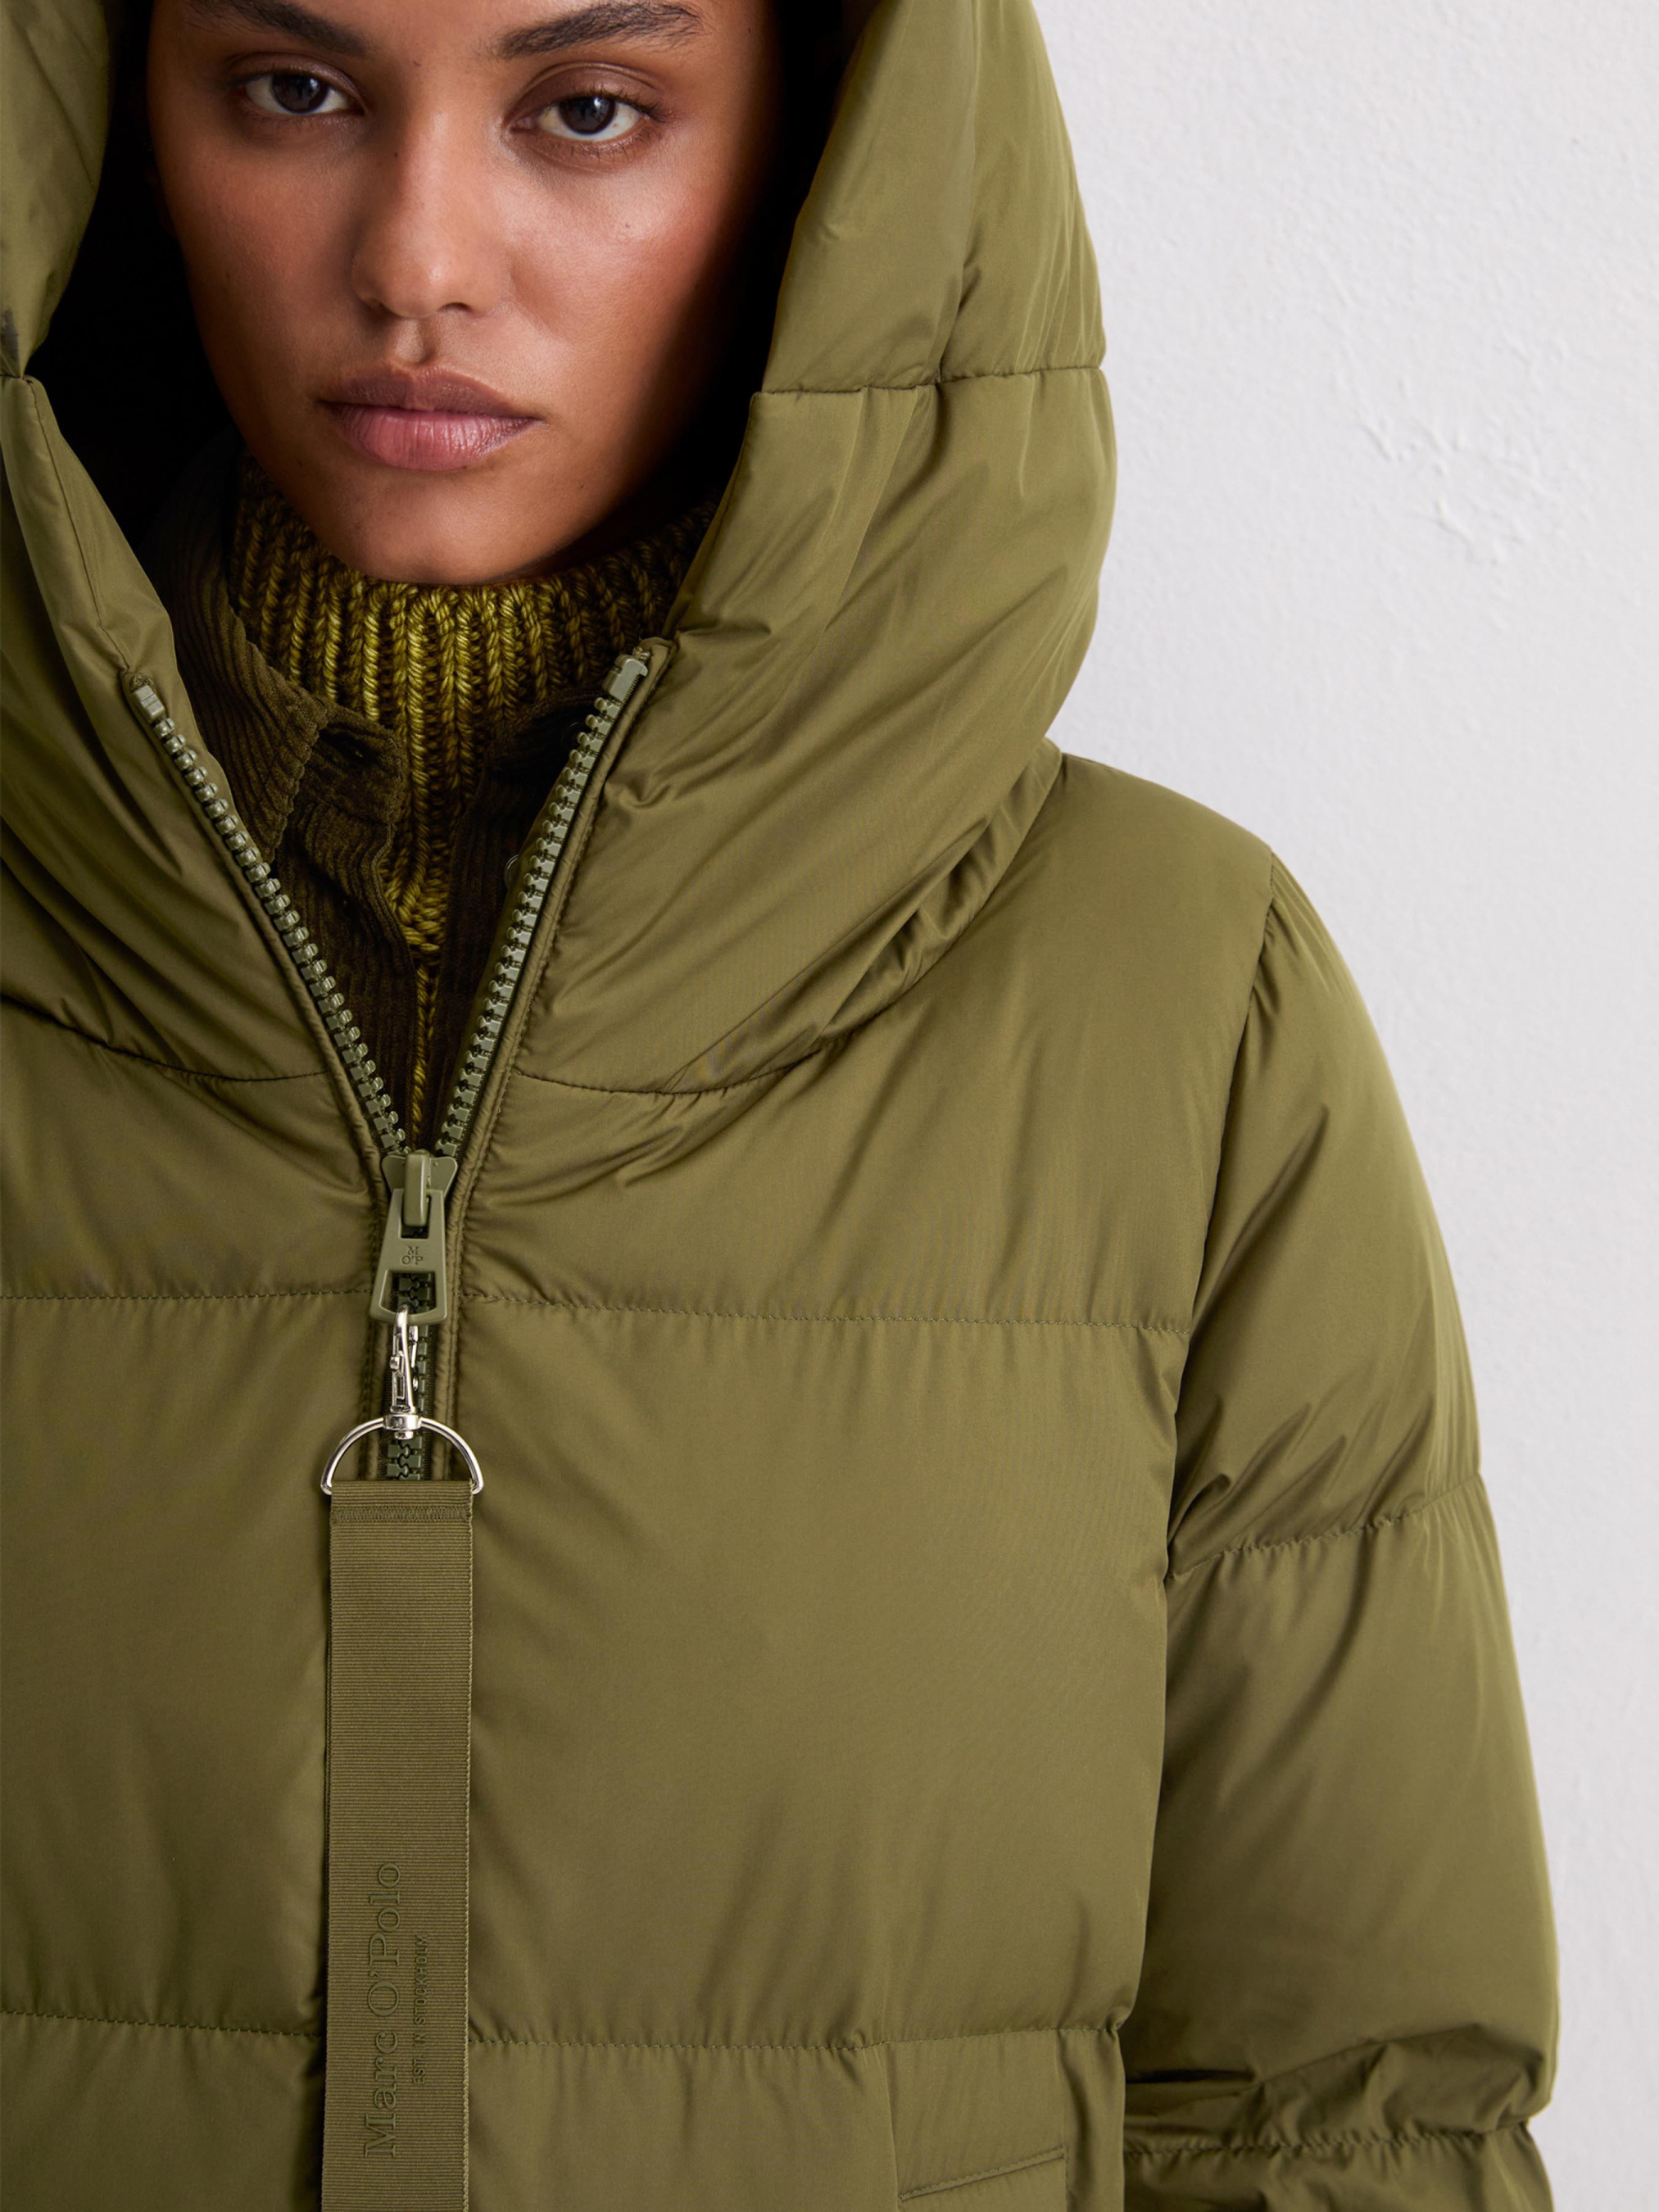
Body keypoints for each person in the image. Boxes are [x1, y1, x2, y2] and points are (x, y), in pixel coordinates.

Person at [0, 0, 1558, 2205]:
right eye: (296, 91)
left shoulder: (1178, 1004)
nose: (416, 258)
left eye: (587, 109)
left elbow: (1343, 2122)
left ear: (835, 172)